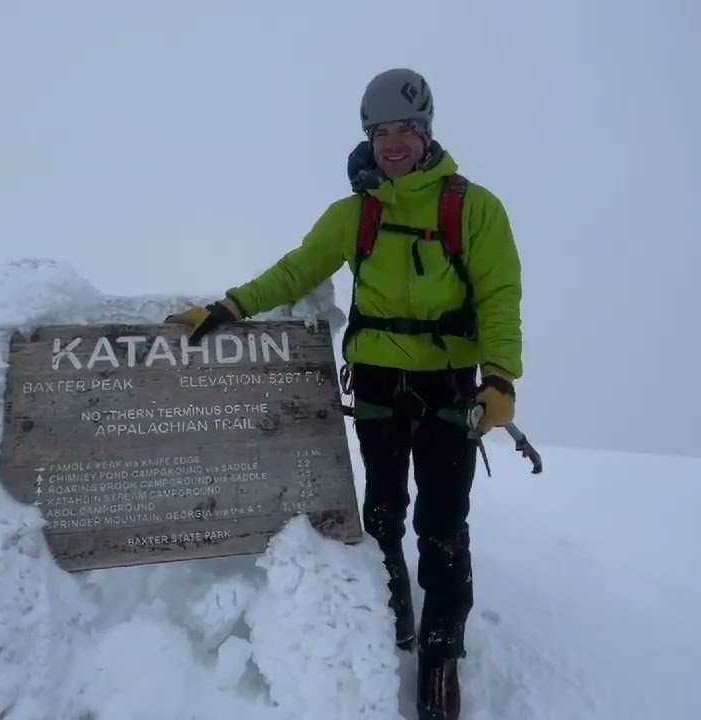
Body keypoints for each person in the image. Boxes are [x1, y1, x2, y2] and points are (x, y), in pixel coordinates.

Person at [165, 67, 523, 720]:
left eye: (402, 131)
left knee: (442, 521)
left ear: (425, 132)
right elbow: (299, 268)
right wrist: (227, 308)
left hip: (450, 385)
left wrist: (499, 378)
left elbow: (500, 296)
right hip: (381, 383)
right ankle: (391, 622)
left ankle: (441, 655)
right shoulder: (354, 213)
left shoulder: (473, 208)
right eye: (378, 132)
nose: (390, 144)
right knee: (382, 511)